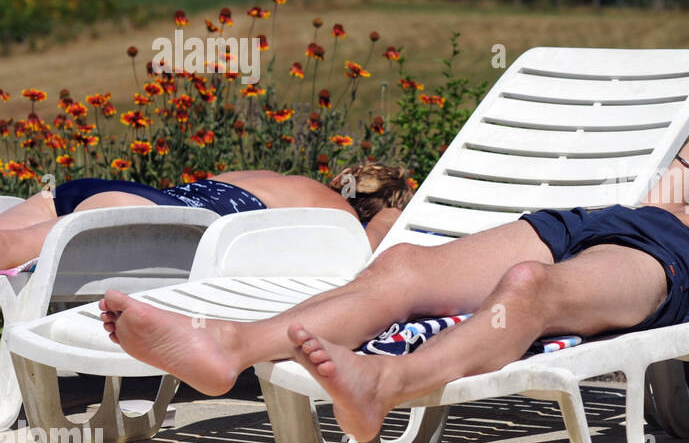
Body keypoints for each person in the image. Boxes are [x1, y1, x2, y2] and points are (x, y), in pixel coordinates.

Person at [98, 73, 689, 443]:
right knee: (406, 266)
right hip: (620, 224)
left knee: (526, 291)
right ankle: (229, 345)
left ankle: (386, 386)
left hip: (686, 277)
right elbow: (665, 208)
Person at [0, 163, 412, 269]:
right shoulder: (337, 216)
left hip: (101, 191)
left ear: (345, 176)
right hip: (147, 216)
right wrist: (388, 216)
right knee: (10, 250)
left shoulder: (273, 179)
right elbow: (367, 250)